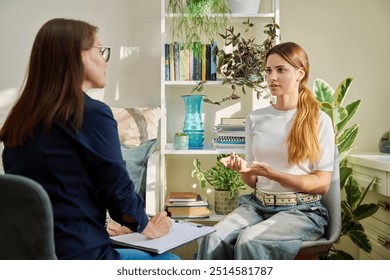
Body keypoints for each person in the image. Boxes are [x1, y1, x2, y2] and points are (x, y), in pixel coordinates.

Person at [0, 18, 179, 260]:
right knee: (173, 262)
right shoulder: (91, 114)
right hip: (83, 255)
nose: (105, 61)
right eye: (100, 50)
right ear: (79, 55)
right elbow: (117, 191)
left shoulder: (20, 120)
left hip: (29, 255)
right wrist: (149, 227)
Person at [197, 42, 335, 260]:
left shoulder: (319, 120)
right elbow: (254, 182)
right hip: (258, 204)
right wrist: (243, 169)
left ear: (300, 73)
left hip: (302, 211)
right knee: (212, 237)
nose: (272, 77)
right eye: (269, 70)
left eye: (281, 70)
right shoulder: (256, 118)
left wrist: (274, 174)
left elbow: (321, 183)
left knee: (250, 242)